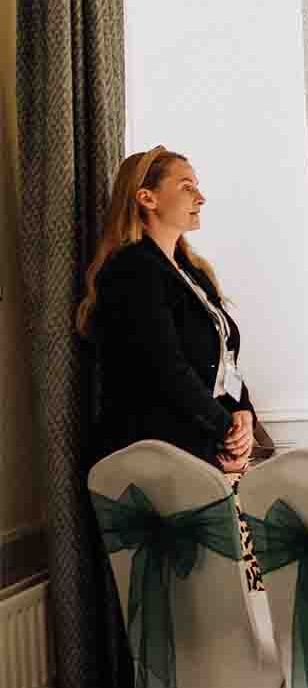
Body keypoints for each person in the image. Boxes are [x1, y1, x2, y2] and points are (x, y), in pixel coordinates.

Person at [79, 146, 256, 474]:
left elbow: (223, 359)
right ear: (147, 198)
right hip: (153, 457)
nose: (200, 197)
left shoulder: (193, 272)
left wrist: (243, 410)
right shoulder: (132, 270)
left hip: (195, 450)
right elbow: (166, 369)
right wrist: (226, 430)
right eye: (186, 186)